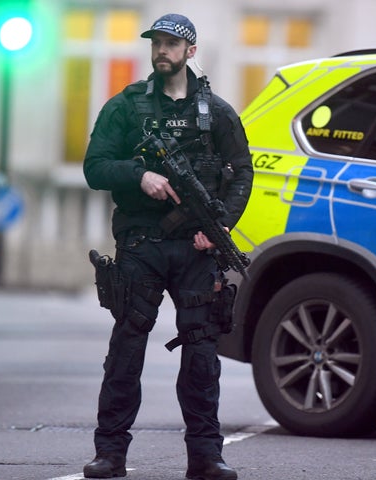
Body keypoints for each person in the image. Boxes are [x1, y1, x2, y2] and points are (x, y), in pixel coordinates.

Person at [82, 13, 252, 480]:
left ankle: (206, 457)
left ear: (190, 52)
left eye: (172, 44)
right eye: (157, 42)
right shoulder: (126, 107)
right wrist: (140, 175)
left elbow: (243, 172)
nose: (162, 50)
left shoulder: (217, 112)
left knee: (201, 353)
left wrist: (217, 225)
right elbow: (95, 166)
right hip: (142, 243)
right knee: (127, 347)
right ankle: (110, 453)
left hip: (196, 249)